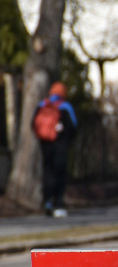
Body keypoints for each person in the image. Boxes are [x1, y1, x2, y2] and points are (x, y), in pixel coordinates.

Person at [32, 80, 76, 217]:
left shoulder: (42, 105)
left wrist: (43, 139)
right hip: (60, 145)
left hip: (45, 145)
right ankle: (58, 203)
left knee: (47, 172)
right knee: (60, 173)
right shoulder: (65, 107)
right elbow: (73, 126)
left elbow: (33, 124)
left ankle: (47, 201)